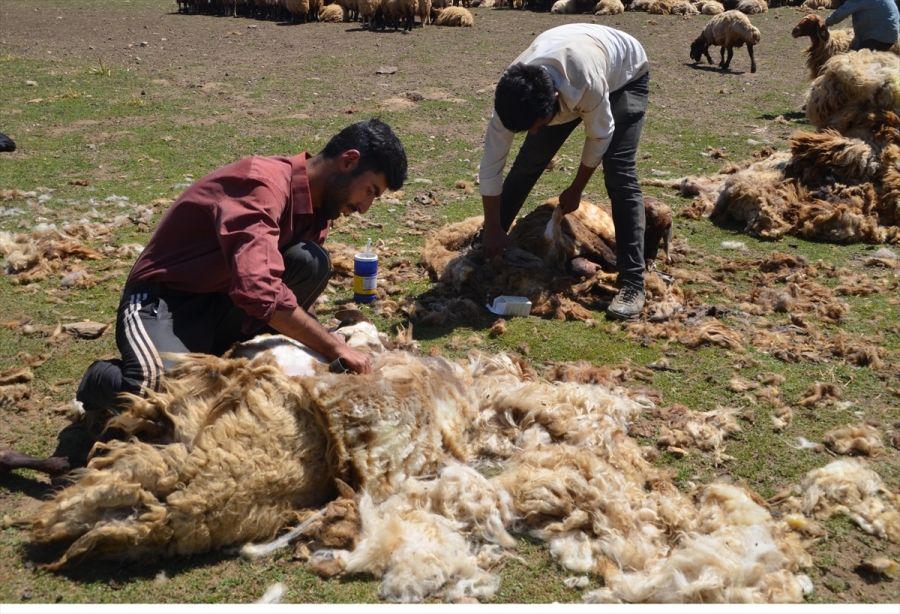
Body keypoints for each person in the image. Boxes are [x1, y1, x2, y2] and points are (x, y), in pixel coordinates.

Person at [76, 118, 408, 417]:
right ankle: (101, 380)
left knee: (310, 261)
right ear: (348, 160)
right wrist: (334, 346)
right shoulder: (260, 185)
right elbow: (259, 290)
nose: (364, 208)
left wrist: (319, 343)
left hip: (226, 305)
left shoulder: (319, 210)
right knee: (164, 396)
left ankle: (220, 357)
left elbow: (277, 288)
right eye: (369, 191)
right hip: (164, 302)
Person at [478, 23, 651, 320]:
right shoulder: (513, 96)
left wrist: (576, 188)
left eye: (536, 125)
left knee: (619, 174)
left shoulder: (587, 84)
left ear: (554, 102)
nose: (532, 132)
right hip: (572, 57)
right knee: (528, 163)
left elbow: (600, 136)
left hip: (624, 74)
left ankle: (633, 282)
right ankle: (491, 241)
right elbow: (491, 165)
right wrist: (492, 226)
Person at [825, 0, 900, 52]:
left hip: (876, 36)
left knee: (856, 61)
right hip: (890, 35)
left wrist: (825, 23)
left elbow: (841, 13)